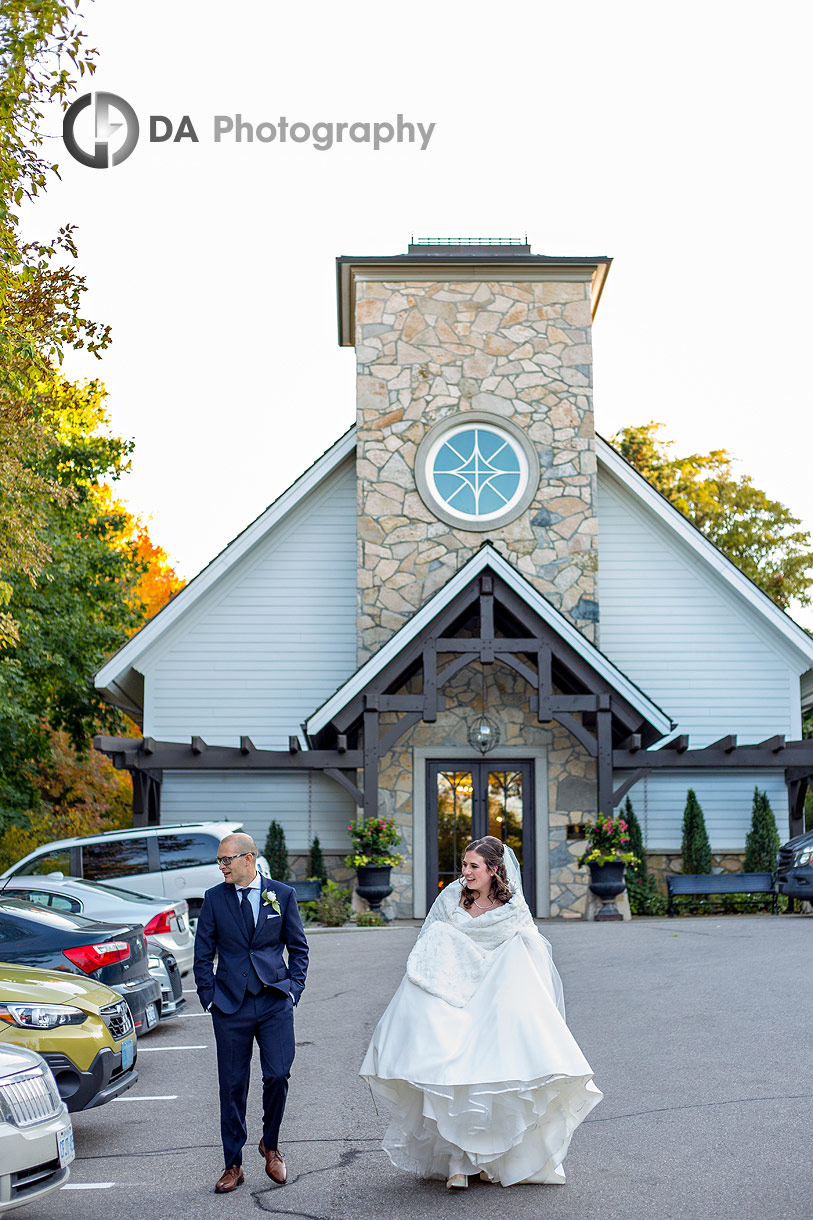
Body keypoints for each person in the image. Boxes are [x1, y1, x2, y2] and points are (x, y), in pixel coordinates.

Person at [360, 835, 602, 1188]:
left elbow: (528, 943)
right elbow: (430, 937)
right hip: (451, 988)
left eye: (474, 866)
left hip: (493, 994)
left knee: (490, 1076)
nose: (466, 872)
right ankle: (457, 1162)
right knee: (446, 1069)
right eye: (464, 864)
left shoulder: (512, 904)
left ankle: (492, 1158)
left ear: (493, 870)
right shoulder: (453, 895)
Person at [194, 832, 309, 1194]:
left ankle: (270, 1145)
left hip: (274, 999)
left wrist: (293, 991)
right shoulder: (214, 899)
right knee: (232, 1086)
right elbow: (202, 955)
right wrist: (209, 997)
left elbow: (299, 949)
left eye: (227, 860)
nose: (222, 866)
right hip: (229, 1004)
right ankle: (233, 1164)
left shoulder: (282, 895)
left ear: (249, 859)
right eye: (219, 861)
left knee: (278, 1075)